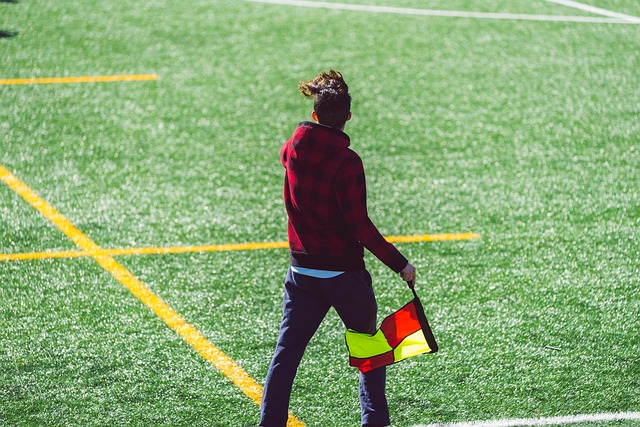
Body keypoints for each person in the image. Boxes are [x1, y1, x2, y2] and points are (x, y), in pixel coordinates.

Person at [259, 69, 416, 427]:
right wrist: (400, 264)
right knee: (370, 353)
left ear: (314, 115)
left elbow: (291, 152)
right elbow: (359, 226)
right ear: (347, 116)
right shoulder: (348, 163)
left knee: (286, 356)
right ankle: (374, 422)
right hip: (344, 277)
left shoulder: (293, 148)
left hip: (301, 274)